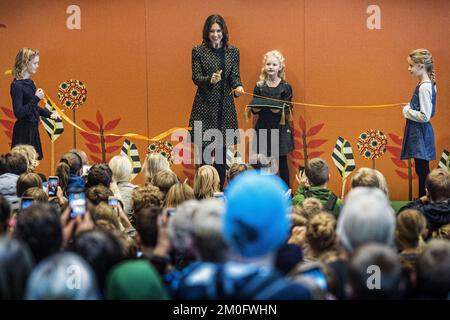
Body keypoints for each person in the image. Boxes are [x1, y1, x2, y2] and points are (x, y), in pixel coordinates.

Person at [189, 14, 244, 188]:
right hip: (204, 107)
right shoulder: (198, 51)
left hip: (225, 109)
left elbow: (234, 76)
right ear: (207, 32)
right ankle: (203, 192)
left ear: (223, 31)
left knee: (221, 156)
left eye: (218, 30)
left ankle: (219, 191)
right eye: (212, 31)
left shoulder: (233, 52)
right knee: (205, 155)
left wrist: (238, 87)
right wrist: (209, 80)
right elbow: (196, 77)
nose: (215, 34)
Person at [251, 50, 294, 186]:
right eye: (268, 64)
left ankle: (287, 192)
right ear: (264, 66)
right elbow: (254, 109)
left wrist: (276, 106)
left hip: (280, 128)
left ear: (280, 67)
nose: (271, 67)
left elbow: (288, 109)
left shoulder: (285, 87)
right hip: (263, 127)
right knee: (263, 161)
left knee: (281, 161)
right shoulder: (259, 86)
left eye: (274, 64)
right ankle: (262, 191)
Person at [10, 48, 59, 160]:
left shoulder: (30, 83)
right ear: (26, 63)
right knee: (22, 165)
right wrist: (36, 98)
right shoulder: (17, 86)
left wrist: (49, 114)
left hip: (33, 128)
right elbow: (19, 113)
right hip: (23, 131)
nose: (37, 66)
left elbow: (32, 107)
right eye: (35, 63)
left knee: (32, 164)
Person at [400, 49, 437, 198]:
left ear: (421, 65)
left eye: (411, 65)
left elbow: (425, 116)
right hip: (421, 133)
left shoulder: (424, 88)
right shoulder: (428, 85)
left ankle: (425, 199)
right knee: (421, 169)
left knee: (422, 170)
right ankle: (425, 198)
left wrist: (406, 111)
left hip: (420, 133)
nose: (409, 69)